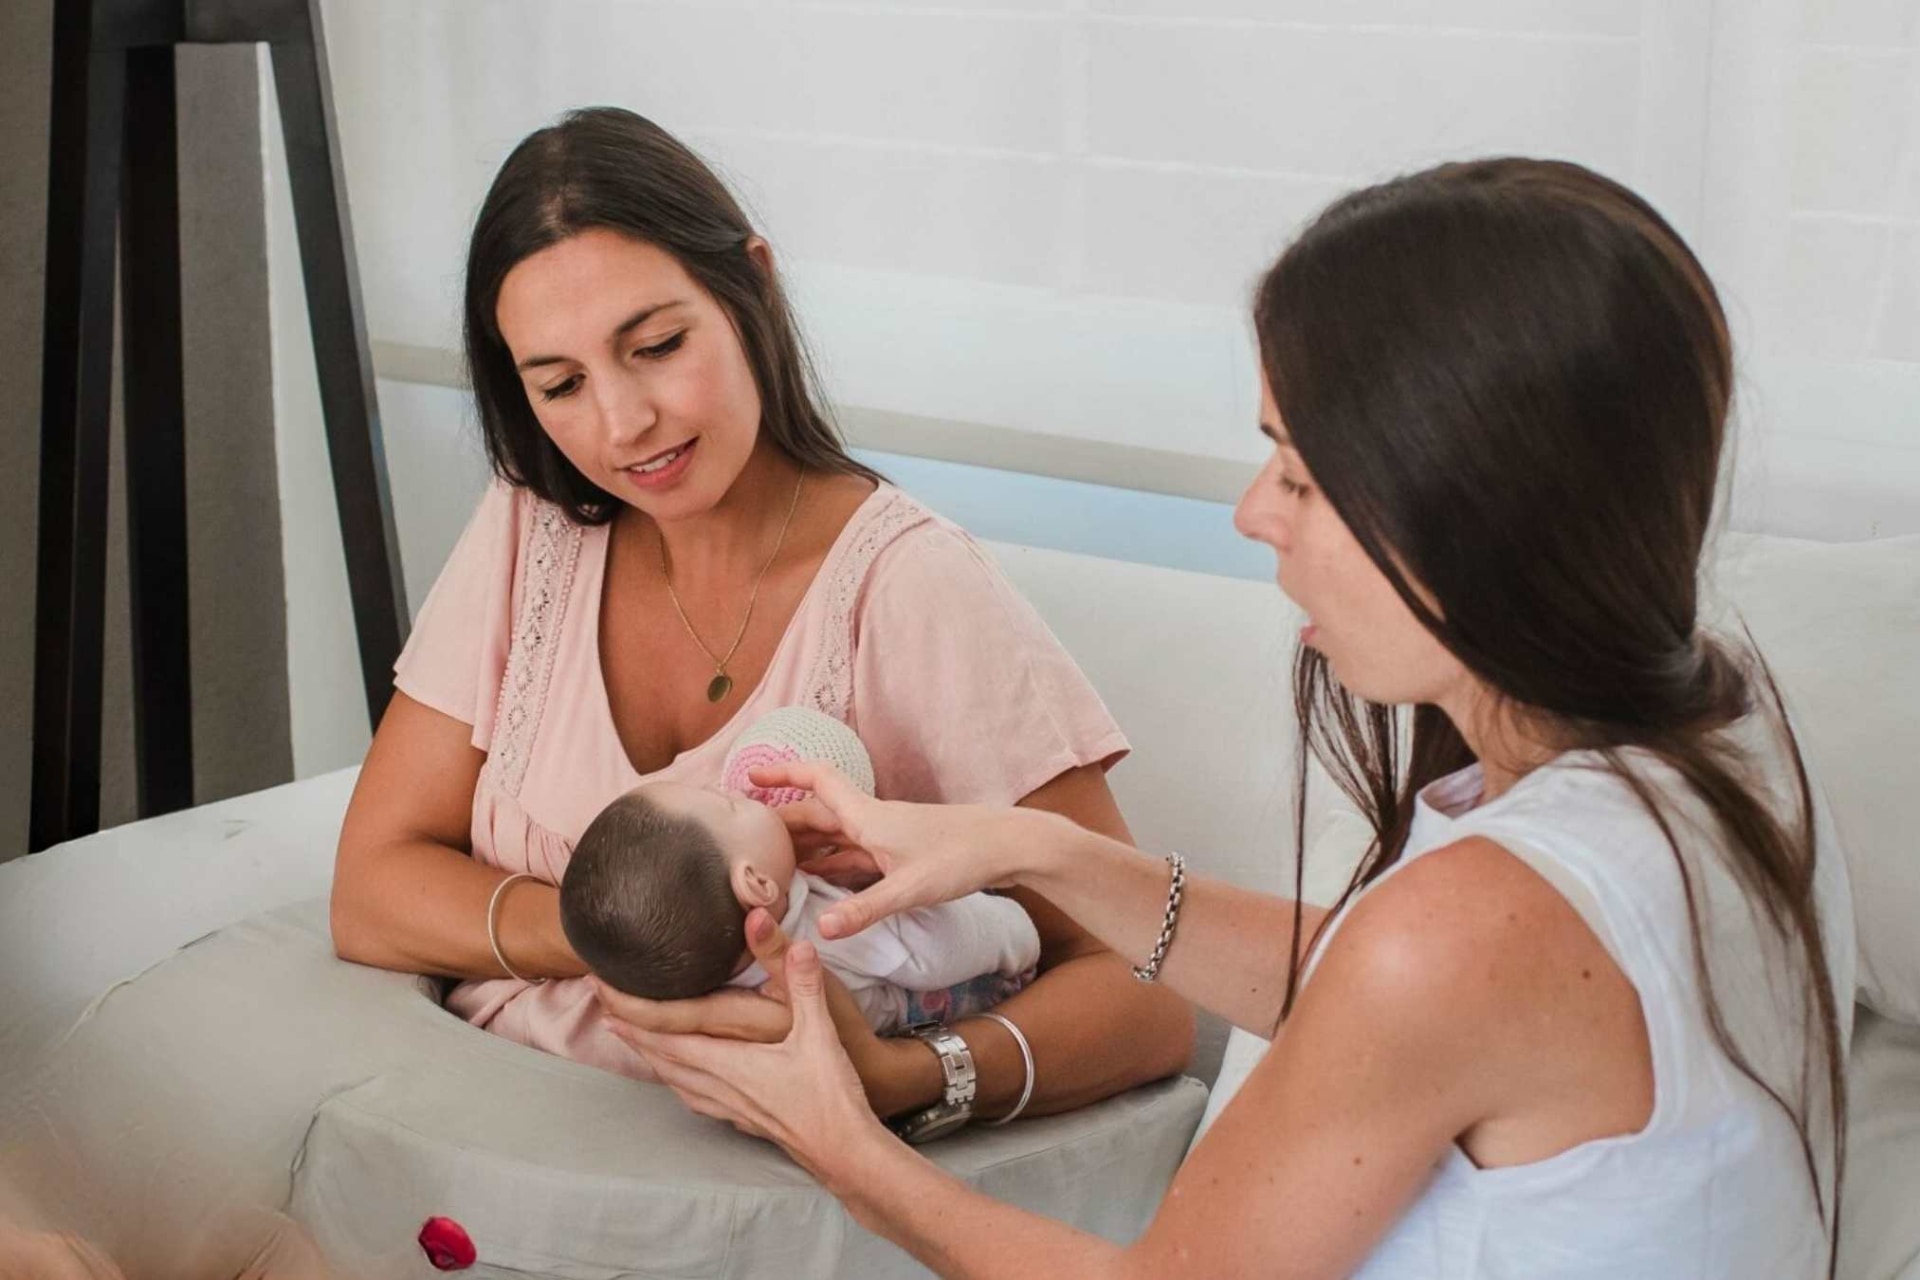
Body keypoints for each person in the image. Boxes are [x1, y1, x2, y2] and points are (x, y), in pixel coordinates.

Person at [597, 158, 1857, 1277]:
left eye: (1299, 471)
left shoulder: (1472, 929)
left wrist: (841, 1147)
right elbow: (1381, 982)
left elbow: (1405, 986)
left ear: (1479, 512)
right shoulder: (1716, 725)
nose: (1254, 512)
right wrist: (1036, 849)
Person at [328, 107, 1192, 1114]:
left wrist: (907, 1077)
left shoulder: (907, 586)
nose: (621, 424)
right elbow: (371, 890)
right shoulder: (533, 526)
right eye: (559, 383)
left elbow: (1150, 986)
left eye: (655, 345)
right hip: (486, 1138)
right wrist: (645, 929)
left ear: (753, 288)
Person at [560, 777, 1039, 1034]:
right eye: (731, 804)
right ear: (757, 884)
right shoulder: (842, 934)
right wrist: (1010, 922)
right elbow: (955, 947)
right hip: (976, 997)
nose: (739, 792)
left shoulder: (706, 966)